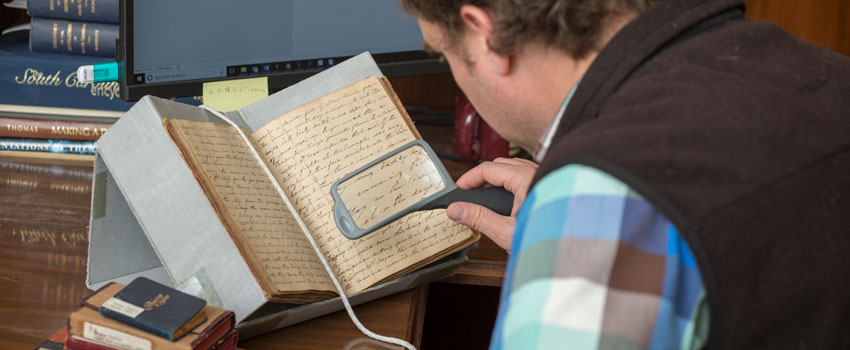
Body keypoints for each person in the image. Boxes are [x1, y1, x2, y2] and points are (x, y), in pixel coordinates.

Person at [399, 0, 850, 349]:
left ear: (485, 36)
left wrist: (580, 226)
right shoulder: (828, 73)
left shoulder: (602, 198)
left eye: (443, 53)